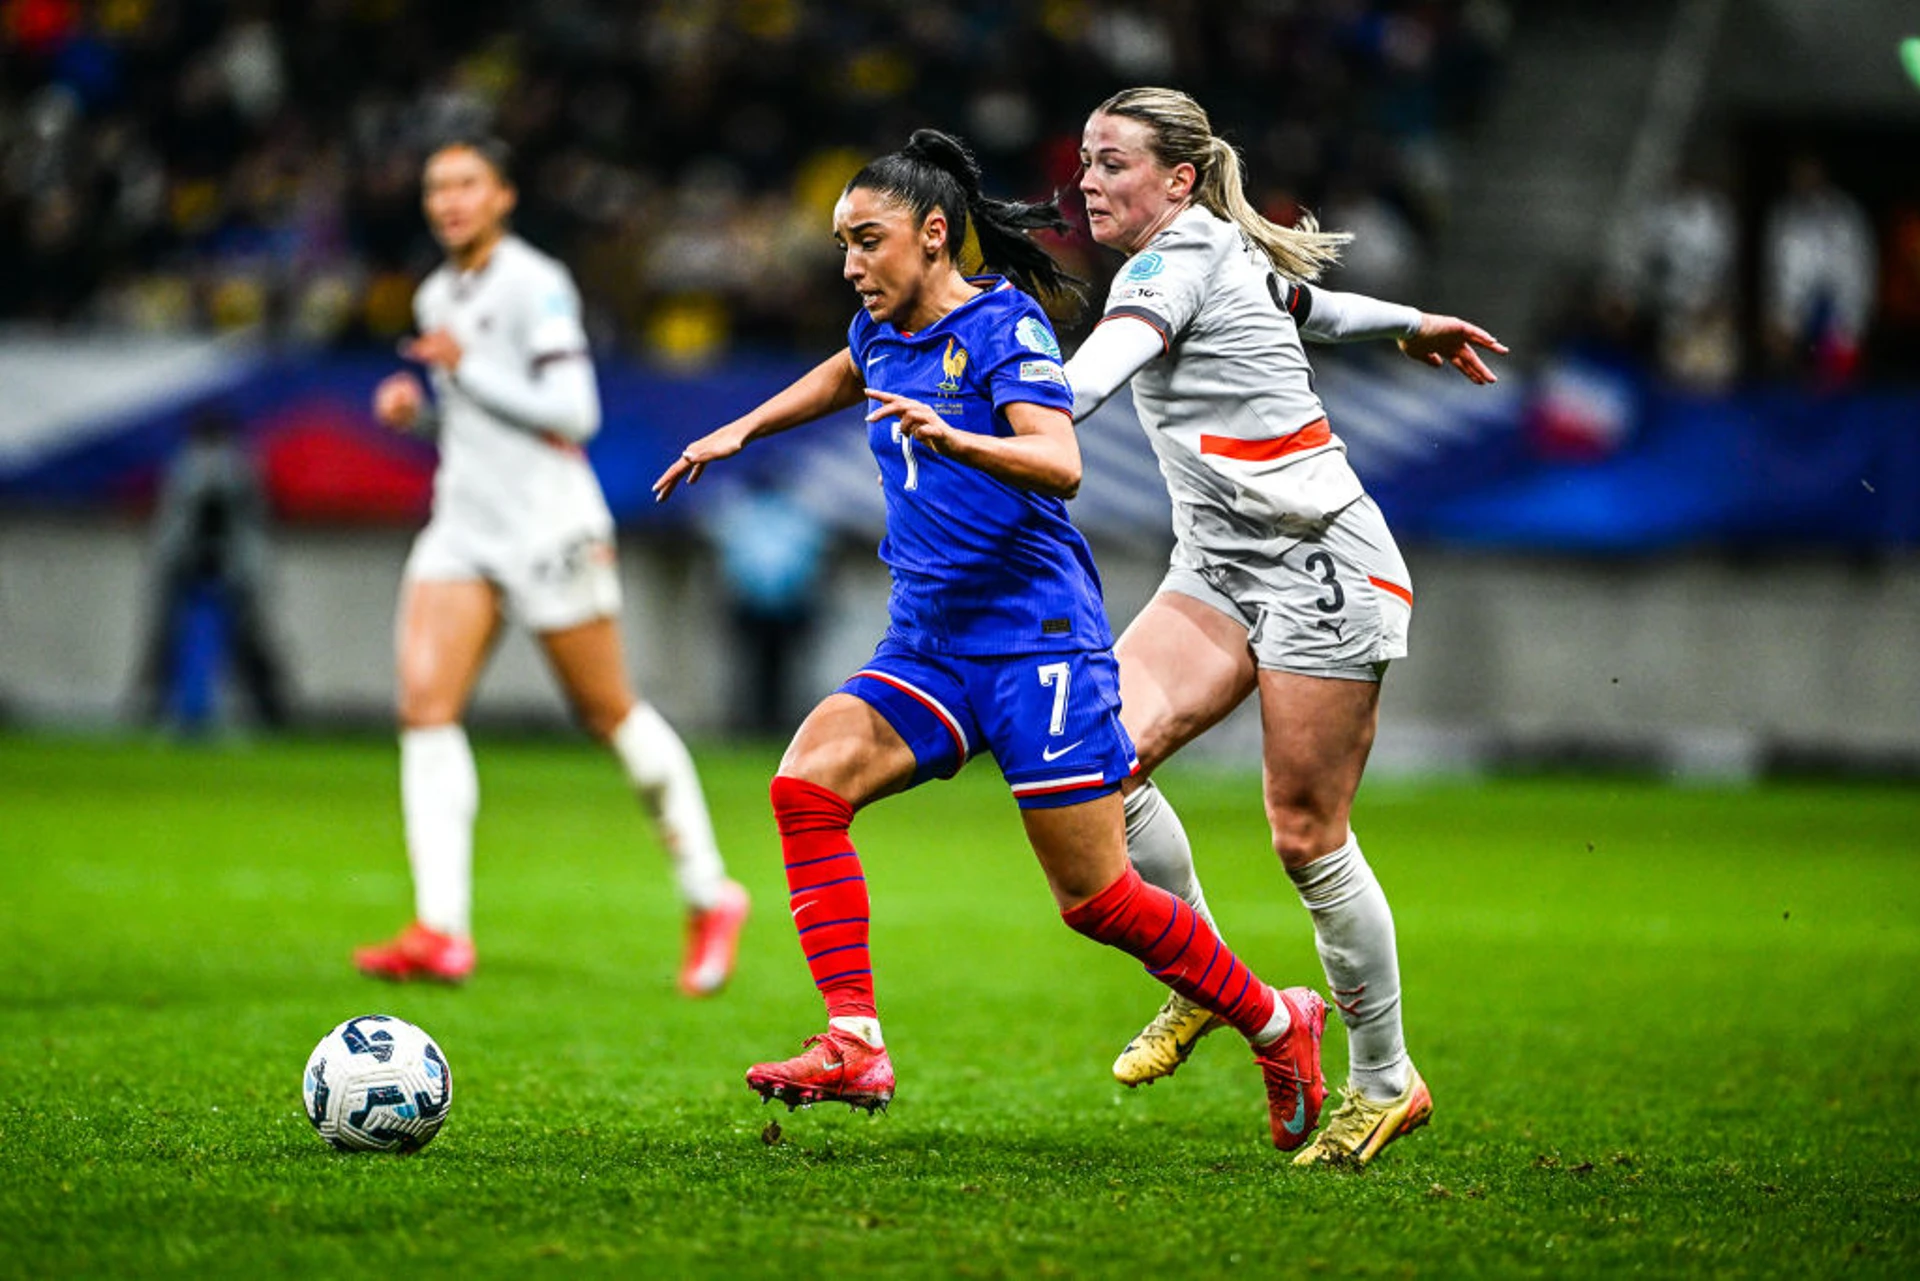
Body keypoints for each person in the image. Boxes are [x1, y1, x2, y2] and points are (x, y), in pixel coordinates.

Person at [654, 129, 1328, 1149]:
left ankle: (1281, 1022)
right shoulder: (880, 330)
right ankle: (853, 1039)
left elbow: (1060, 464)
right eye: (842, 243)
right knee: (806, 786)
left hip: (1035, 642)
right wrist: (745, 429)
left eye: (867, 241)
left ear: (934, 235)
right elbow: (844, 372)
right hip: (929, 640)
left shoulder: (1006, 328)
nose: (850, 264)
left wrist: (958, 435)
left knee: (1097, 900)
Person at [1063, 88, 1506, 1167]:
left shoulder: (1168, 267)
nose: (1087, 180)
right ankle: (1207, 980)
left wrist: (990, 409)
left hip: (1322, 564)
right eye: (1084, 161)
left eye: (1113, 163)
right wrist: (1410, 322)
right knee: (1093, 760)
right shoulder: (1212, 248)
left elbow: (1089, 381)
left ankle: (1385, 1078)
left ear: (1177, 179)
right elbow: (1308, 305)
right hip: (1220, 568)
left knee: (1306, 834)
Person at [354, 137, 749, 995]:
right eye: (436, 186)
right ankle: (441, 928)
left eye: (466, 184)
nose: (449, 200)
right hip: (464, 523)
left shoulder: (536, 283)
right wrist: (418, 413)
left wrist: (469, 371)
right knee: (425, 709)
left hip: (545, 525)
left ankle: (710, 892)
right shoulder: (435, 292)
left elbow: (573, 411)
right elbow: (478, 415)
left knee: (607, 710)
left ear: (502, 195)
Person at [131, 404, 293, 732]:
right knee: (177, 641)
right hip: (198, 564)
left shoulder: (214, 463)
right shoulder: (224, 462)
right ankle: (159, 708)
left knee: (238, 644)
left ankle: (268, 713)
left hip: (223, 565)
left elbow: (225, 515)